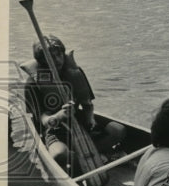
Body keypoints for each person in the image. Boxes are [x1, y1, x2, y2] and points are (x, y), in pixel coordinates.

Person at [21, 34, 125, 170]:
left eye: (59, 55)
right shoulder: (32, 84)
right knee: (59, 155)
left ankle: (88, 156)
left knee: (118, 130)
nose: (57, 60)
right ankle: (99, 156)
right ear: (41, 60)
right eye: (51, 57)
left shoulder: (74, 73)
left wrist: (89, 118)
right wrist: (59, 115)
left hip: (80, 124)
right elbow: (41, 120)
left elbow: (87, 105)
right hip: (55, 130)